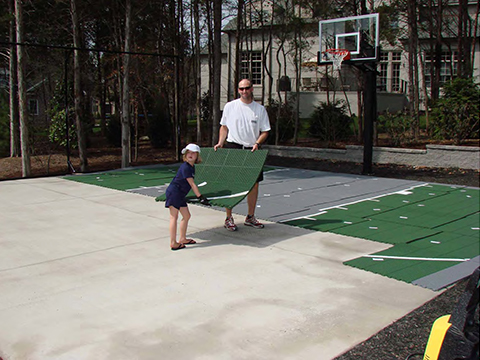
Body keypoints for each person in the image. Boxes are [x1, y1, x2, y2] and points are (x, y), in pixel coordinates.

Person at [214, 79, 271, 231]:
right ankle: (228, 218)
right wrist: (221, 142)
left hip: (253, 151)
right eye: (241, 89)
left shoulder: (259, 110)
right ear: (238, 90)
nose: (244, 91)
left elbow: (265, 131)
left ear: (252, 89)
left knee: (254, 184)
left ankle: (250, 217)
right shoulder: (230, 106)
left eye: (247, 88)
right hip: (234, 147)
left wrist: (257, 143)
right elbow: (224, 127)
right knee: (231, 184)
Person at [165, 143, 211, 250]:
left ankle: (182, 239)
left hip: (180, 194)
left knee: (186, 216)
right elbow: (192, 184)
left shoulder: (191, 167)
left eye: (193, 153)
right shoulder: (185, 167)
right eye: (188, 153)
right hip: (174, 192)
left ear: (197, 156)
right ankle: (173, 243)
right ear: (185, 155)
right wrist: (200, 197)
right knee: (174, 217)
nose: (190, 155)